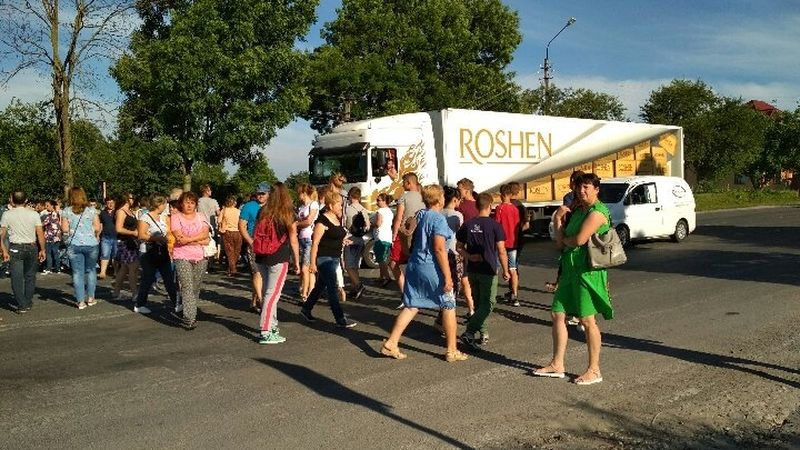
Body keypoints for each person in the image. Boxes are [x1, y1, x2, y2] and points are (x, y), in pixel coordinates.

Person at [533, 173, 613, 385]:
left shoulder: (598, 213)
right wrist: (557, 219)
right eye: (579, 187)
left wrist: (567, 240)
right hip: (569, 270)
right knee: (557, 314)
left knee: (587, 320)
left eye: (587, 187)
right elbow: (560, 243)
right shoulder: (578, 211)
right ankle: (557, 364)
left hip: (587, 272)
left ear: (597, 189)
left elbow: (578, 239)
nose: (582, 191)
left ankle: (594, 369)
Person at [380, 184, 468, 362]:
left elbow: (406, 231)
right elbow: (439, 249)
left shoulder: (420, 214)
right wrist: (448, 276)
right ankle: (452, 350)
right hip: (431, 267)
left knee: (412, 305)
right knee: (448, 304)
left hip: (415, 263)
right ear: (438, 199)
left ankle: (391, 342)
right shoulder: (438, 219)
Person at [457, 193, 510, 347]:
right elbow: (501, 250)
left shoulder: (467, 224)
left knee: (479, 303)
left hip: (473, 269)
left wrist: (469, 256)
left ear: (477, 206)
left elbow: (458, 247)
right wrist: (506, 270)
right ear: (490, 206)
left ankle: (484, 332)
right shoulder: (495, 225)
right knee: (488, 303)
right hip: (489, 269)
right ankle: (469, 331)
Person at [299, 189, 357, 328]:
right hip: (324, 259)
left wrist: (343, 241)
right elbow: (316, 243)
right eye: (339, 205)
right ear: (330, 205)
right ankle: (340, 318)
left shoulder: (337, 219)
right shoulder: (322, 221)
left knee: (320, 286)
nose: (341, 207)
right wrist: (313, 263)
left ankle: (306, 309)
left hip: (335, 258)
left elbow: (334, 237)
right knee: (332, 288)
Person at [253, 182, 300, 344]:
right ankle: (265, 330)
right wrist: (297, 261)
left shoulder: (262, 211)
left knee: (268, 291)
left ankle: (272, 326)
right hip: (279, 257)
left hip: (261, 255)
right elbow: (293, 240)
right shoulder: (288, 214)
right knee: (272, 295)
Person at [170, 191, 211, 329]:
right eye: (186, 202)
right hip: (182, 255)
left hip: (200, 256)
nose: (189, 205)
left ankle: (190, 308)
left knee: (195, 286)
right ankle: (189, 317)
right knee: (186, 285)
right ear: (181, 203)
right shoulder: (176, 217)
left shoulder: (201, 216)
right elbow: (179, 238)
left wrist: (189, 240)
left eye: (192, 203)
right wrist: (199, 240)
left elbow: (206, 234)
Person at [0, 191, 45, 313]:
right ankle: (28, 301)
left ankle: (22, 304)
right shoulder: (34, 214)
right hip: (31, 246)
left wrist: (4, 250)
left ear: (12, 201)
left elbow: (1, 235)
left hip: (15, 247)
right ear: (26, 201)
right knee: (30, 276)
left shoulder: (7, 215)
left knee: (16, 277)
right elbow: (40, 233)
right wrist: (43, 249)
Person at [135, 194, 178, 314]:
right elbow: (141, 235)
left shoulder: (162, 217)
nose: (166, 206)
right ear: (159, 204)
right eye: (164, 203)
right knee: (147, 279)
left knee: (169, 278)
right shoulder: (145, 217)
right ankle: (139, 304)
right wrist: (157, 238)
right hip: (148, 251)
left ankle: (176, 303)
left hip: (162, 250)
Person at [61, 187, 102, 309]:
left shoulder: (66, 211)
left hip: (74, 244)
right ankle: (91, 298)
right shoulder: (92, 210)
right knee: (91, 270)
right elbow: (97, 227)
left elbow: (65, 229)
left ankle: (80, 301)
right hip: (91, 244)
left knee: (77, 273)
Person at [390, 172, 425, 303]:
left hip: (405, 235)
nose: (403, 185)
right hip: (421, 234)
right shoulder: (424, 197)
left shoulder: (404, 197)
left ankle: (405, 293)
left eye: (404, 183)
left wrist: (393, 236)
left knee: (394, 263)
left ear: (409, 183)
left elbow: (399, 218)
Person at [440, 186, 474, 316]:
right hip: (455, 253)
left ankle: (469, 308)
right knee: (457, 283)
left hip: (441, 252)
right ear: (454, 200)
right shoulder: (457, 215)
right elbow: (460, 235)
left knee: (446, 282)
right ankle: (450, 314)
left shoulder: (439, 213)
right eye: (459, 200)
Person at [239, 182, 270, 312]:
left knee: (265, 274)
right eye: (258, 193)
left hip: (269, 244)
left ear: (269, 194)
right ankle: (262, 302)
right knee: (257, 272)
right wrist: (250, 241)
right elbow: (241, 225)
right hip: (254, 243)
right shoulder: (249, 206)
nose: (260, 196)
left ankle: (253, 301)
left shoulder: (272, 207)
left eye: (263, 193)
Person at [494, 184, 522, 307]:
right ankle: (515, 295)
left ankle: (491, 293)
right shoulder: (515, 209)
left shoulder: (500, 208)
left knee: (495, 267)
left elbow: (496, 225)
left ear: (502, 195)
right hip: (513, 242)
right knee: (513, 269)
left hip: (502, 243)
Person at [343, 186, 370, 299]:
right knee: (355, 265)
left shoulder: (348, 210)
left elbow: (345, 225)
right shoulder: (364, 210)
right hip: (360, 240)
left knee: (349, 266)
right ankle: (355, 288)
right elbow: (367, 227)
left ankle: (359, 286)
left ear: (350, 196)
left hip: (350, 239)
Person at [113, 193, 140, 301]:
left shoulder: (131, 211)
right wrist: (133, 233)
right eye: (131, 198)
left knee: (124, 269)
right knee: (133, 268)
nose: (133, 199)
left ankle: (116, 292)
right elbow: (118, 229)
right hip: (125, 243)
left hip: (132, 242)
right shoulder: (121, 212)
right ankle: (135, 294)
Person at [296, 183, 319, 303]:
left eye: (299, 192)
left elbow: (309, 221)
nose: (298, 195)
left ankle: (304, 294)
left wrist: (296, 224)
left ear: (304, 193)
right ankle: (310, 291)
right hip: (302, 238)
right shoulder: (301, 207)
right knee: (307, 267)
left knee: (305, 268)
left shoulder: (313, 204)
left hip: (309, 237)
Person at [372, 193, 394, 288]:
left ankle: (387, 277)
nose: (377, 202)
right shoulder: (390, 211)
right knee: (383, 257)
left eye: (378, 200)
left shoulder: (380, 211)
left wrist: (371, 224)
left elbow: (378, 223)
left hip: (380, 237)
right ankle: (381, 277)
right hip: (387, 236)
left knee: (381, 259)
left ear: (384, 201)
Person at [218, 195, 242, 276]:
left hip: (227, 232)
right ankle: (232, 268)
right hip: (238, 232)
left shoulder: (224, 210)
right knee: (236, 251)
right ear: (234, 203)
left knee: (229, 251)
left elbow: (219, 221)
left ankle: (232, 269)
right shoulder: (238, 211)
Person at [98, 196, 118, 279]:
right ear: (106, 204)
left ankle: (116, 272)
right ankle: (102, 272)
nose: (110, 204)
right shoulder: (102, 213)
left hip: (117, 237)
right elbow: (100, 225)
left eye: (112, 202)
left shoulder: (118, 212)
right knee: (104, 254)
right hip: (105, 237)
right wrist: (97, 235)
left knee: (116, 256)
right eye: (108, 203)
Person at [41, 200, 62, 274]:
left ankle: (49, 268)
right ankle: (57, 268)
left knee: (49, 253)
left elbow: (43, 223)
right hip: (57, 236)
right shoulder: (57, 214)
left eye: (48, 205)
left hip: (50, 237)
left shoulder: (52, 215)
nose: (46, 207)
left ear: (52, 206)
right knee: (56, 252)